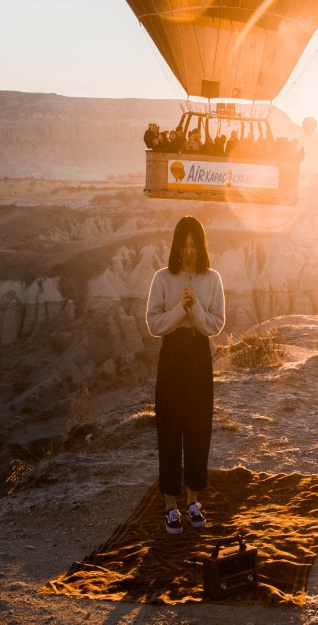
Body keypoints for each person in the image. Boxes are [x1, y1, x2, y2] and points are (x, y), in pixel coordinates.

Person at [145, 217, 226, 534]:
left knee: (198, 428)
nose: (189, 252)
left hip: (199, 359)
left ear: (201, 247)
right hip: (172, 358)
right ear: (177, 247)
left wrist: (196, 310)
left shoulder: (213, 278)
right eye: (184, 245)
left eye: (194, 246)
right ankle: (170, 506)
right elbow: (154, 324)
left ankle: (193, 502)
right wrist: (181, 307)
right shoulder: (162, 278)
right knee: (169, 429)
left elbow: (216, 324)